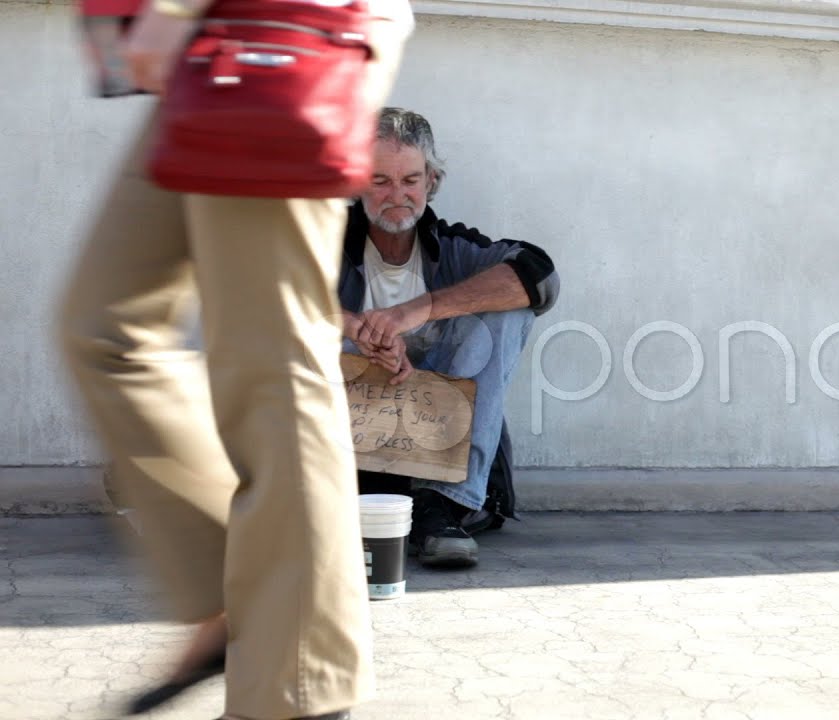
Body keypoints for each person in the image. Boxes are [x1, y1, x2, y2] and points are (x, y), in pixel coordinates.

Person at [58, 1, 413, 718]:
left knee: (274, 366)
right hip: (207, 52)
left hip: (277, 37)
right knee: (105, 329)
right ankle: (247, 603)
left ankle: (300, 685)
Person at [342, 107, 559, 570]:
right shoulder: (322, 241)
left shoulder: (458, 249)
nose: (396, 195)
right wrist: (354, 327)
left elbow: (539, 276)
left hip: (438, 444)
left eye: (410, 180)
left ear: (431, 182)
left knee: (506, 312)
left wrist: (414, 312)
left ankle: (442, 504)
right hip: (346, 451)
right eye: (379, 180)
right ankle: (343, 496)